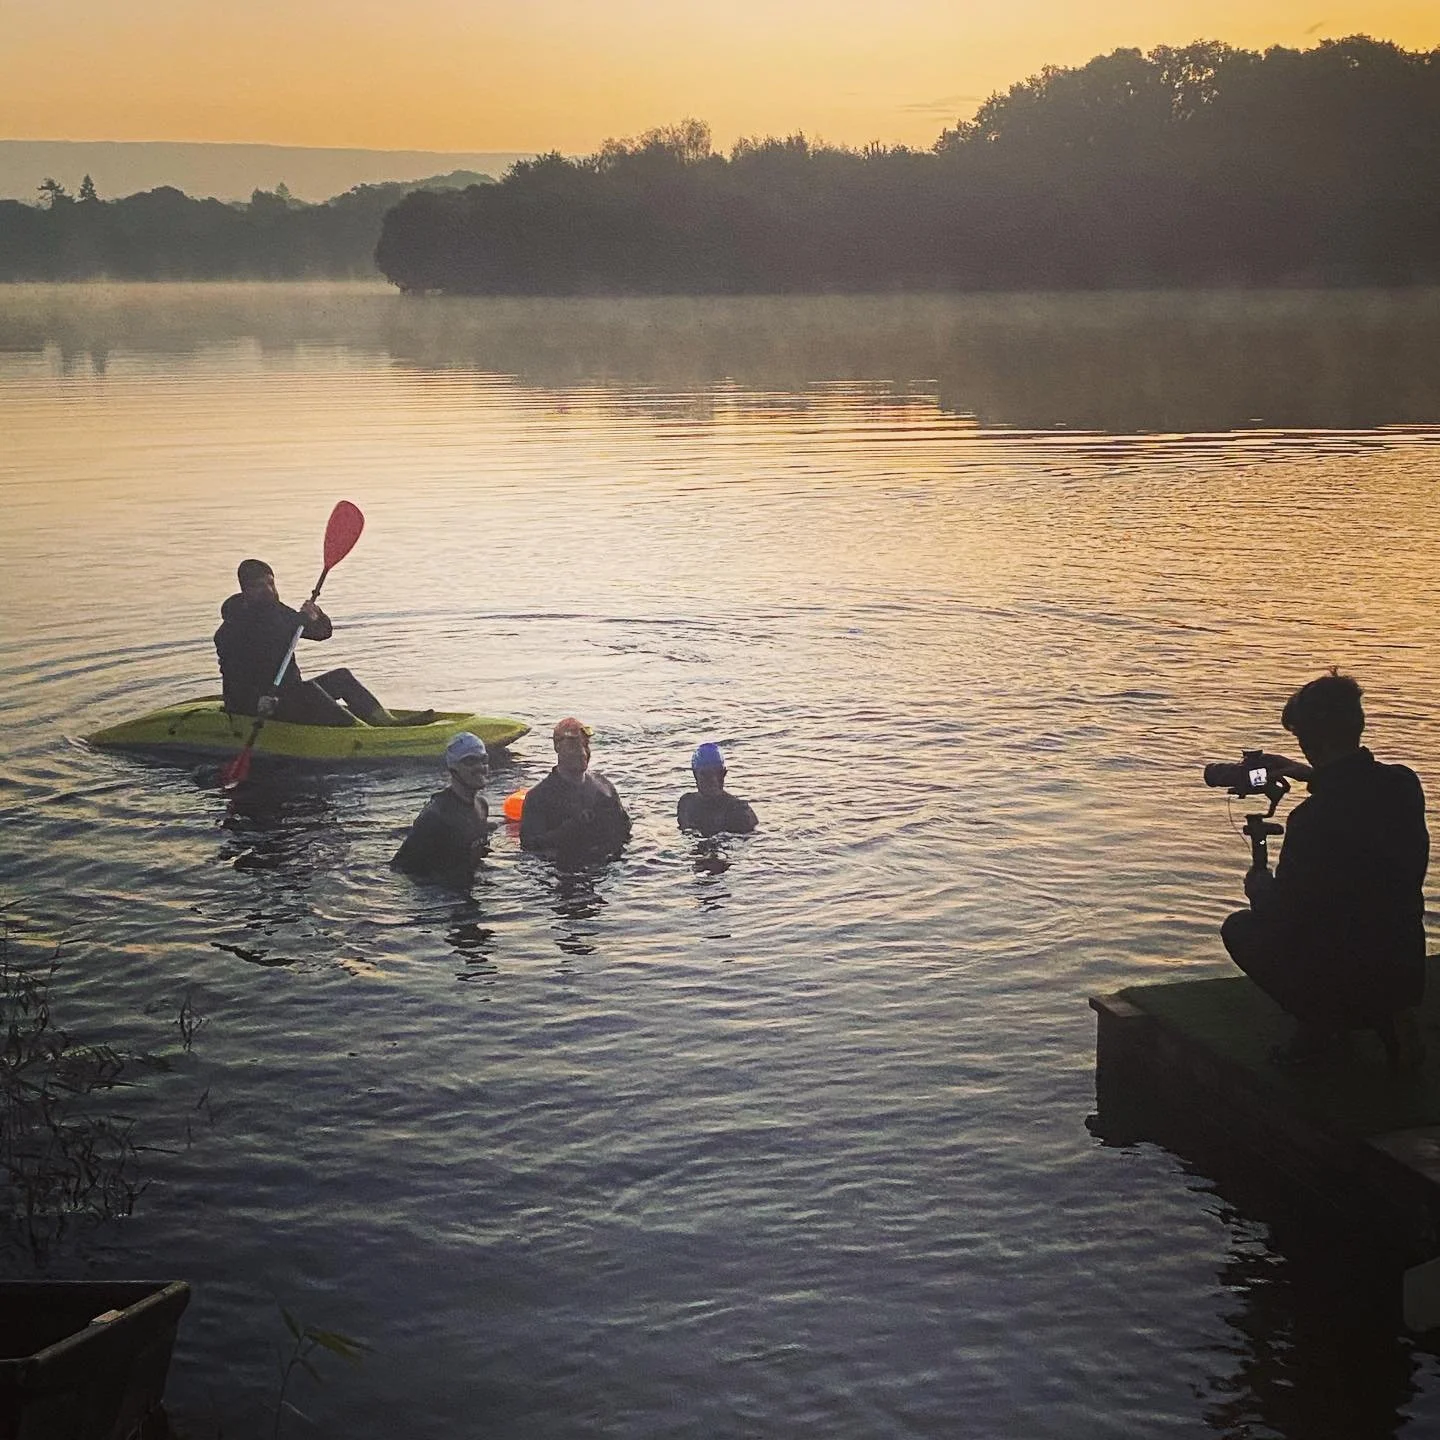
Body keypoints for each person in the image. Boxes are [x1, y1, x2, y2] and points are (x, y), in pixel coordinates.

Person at [1220, 670, 1429, 1070]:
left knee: (1241, 927)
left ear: (1312, 738)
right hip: (1403, 970)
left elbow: (1289, 916)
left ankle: (1322, 1027)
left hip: (1343, 982)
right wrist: (1302, 771)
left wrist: (1260, 887)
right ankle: (1391, 1018)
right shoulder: (1404, 785)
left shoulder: (1312, 819)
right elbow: (1358, 789)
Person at [214, 558, 425, 727]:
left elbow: (322, 633)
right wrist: (254, 702)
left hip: (290, 696)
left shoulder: (277, 611)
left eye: (271, 583)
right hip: (257, 704)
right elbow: (234, 680)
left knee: (341, 677)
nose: (269, 590)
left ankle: (387, 723)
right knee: (308, 691)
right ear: (245, 591)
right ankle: (361, 732)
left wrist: (317, 616)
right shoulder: (232, 631)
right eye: (260, 586)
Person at [520, 717, 632, 861]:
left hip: (607, 873)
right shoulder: (539, 797)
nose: (582, 753)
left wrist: (616, 820)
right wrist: (570, 830)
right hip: (564, 871)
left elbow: (625, 833)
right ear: (557, 747)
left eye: (586, 745)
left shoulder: (604, 786)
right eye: (573, 746)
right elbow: (529, 847)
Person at [391, 732, 492, 877]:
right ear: (453, 768)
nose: (480, 767)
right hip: (440, 893)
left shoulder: (482, 806)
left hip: (468, 884)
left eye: (484, 759)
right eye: (470, 761)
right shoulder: (436, 816)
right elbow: (399, 867)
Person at [677, 742, 758, 836]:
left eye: (718, 773)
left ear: (724, 774)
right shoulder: (686, 804)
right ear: (695, 775)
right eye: (706, 774)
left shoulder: (740, 811)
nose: (713, 779)